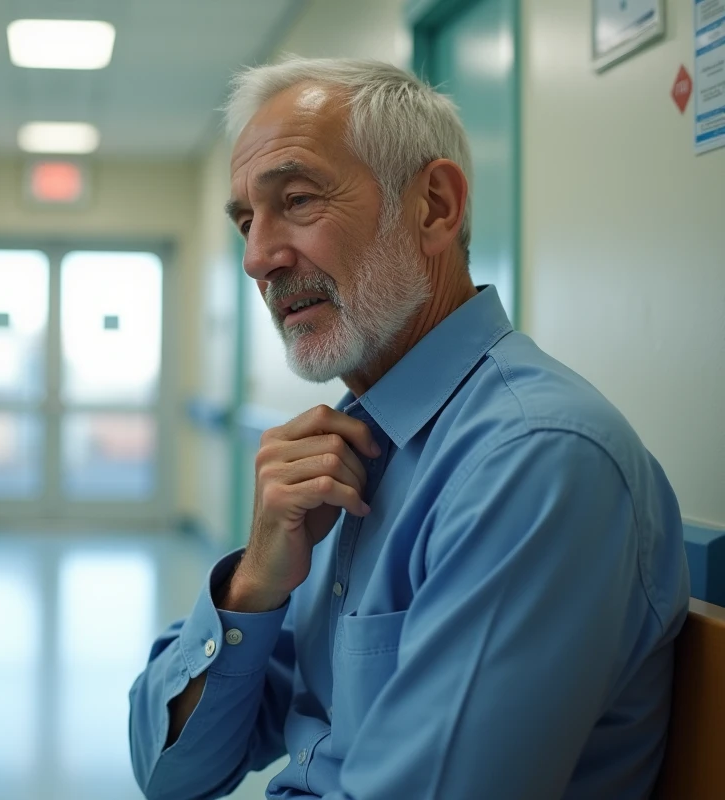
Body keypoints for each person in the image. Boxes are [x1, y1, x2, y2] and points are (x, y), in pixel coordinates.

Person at [128, 58, 689, 800]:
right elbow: (171, 771)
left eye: (295, 200)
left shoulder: (534, 461)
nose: (257, 258)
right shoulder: (354, 452)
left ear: (433, 207)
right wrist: (255, 583)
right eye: (244, 221)